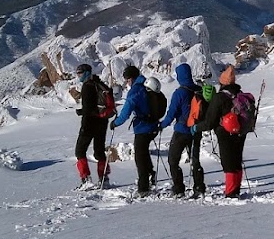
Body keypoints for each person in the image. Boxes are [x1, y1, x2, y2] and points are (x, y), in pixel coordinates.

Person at [199, 64, 248, 199]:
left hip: (225, 133)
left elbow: (210, 121)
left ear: (222, 82)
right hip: (241, 132)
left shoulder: (219, 97)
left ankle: (231, 192)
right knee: (237, 160)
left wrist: (196, 127)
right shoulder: (239, 94)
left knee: (228, 162)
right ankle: (235, 189)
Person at [161, 63, 206, 198]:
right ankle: (199, 187)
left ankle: (179, 188)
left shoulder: (179, 92)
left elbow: (172, 113)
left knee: (173, 160)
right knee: (195, 160)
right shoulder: (199, 90)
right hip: (196, 130)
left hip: (181, 131)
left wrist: (161, 125)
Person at [111, 65, 157, 196]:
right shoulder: (147, 85)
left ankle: (143, 188)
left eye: (127, 79)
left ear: (131, 78)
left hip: (143, 127)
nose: (126, 82)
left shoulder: (135, 91)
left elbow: (126, 112)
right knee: (143, 153)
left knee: (140, 157)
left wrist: (116, 122)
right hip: (153, 125)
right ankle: (150, 175)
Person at [72, 64, 111, 188]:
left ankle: (86, 179)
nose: (78, 75)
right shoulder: (99, 84)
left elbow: (88, 109)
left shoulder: (87, 87)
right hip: (102, 121)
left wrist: (81, 112)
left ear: (86, 73)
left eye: (80, 73)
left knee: (80, 151)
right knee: (99, 151)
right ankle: (104, 179)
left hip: (89, 123)